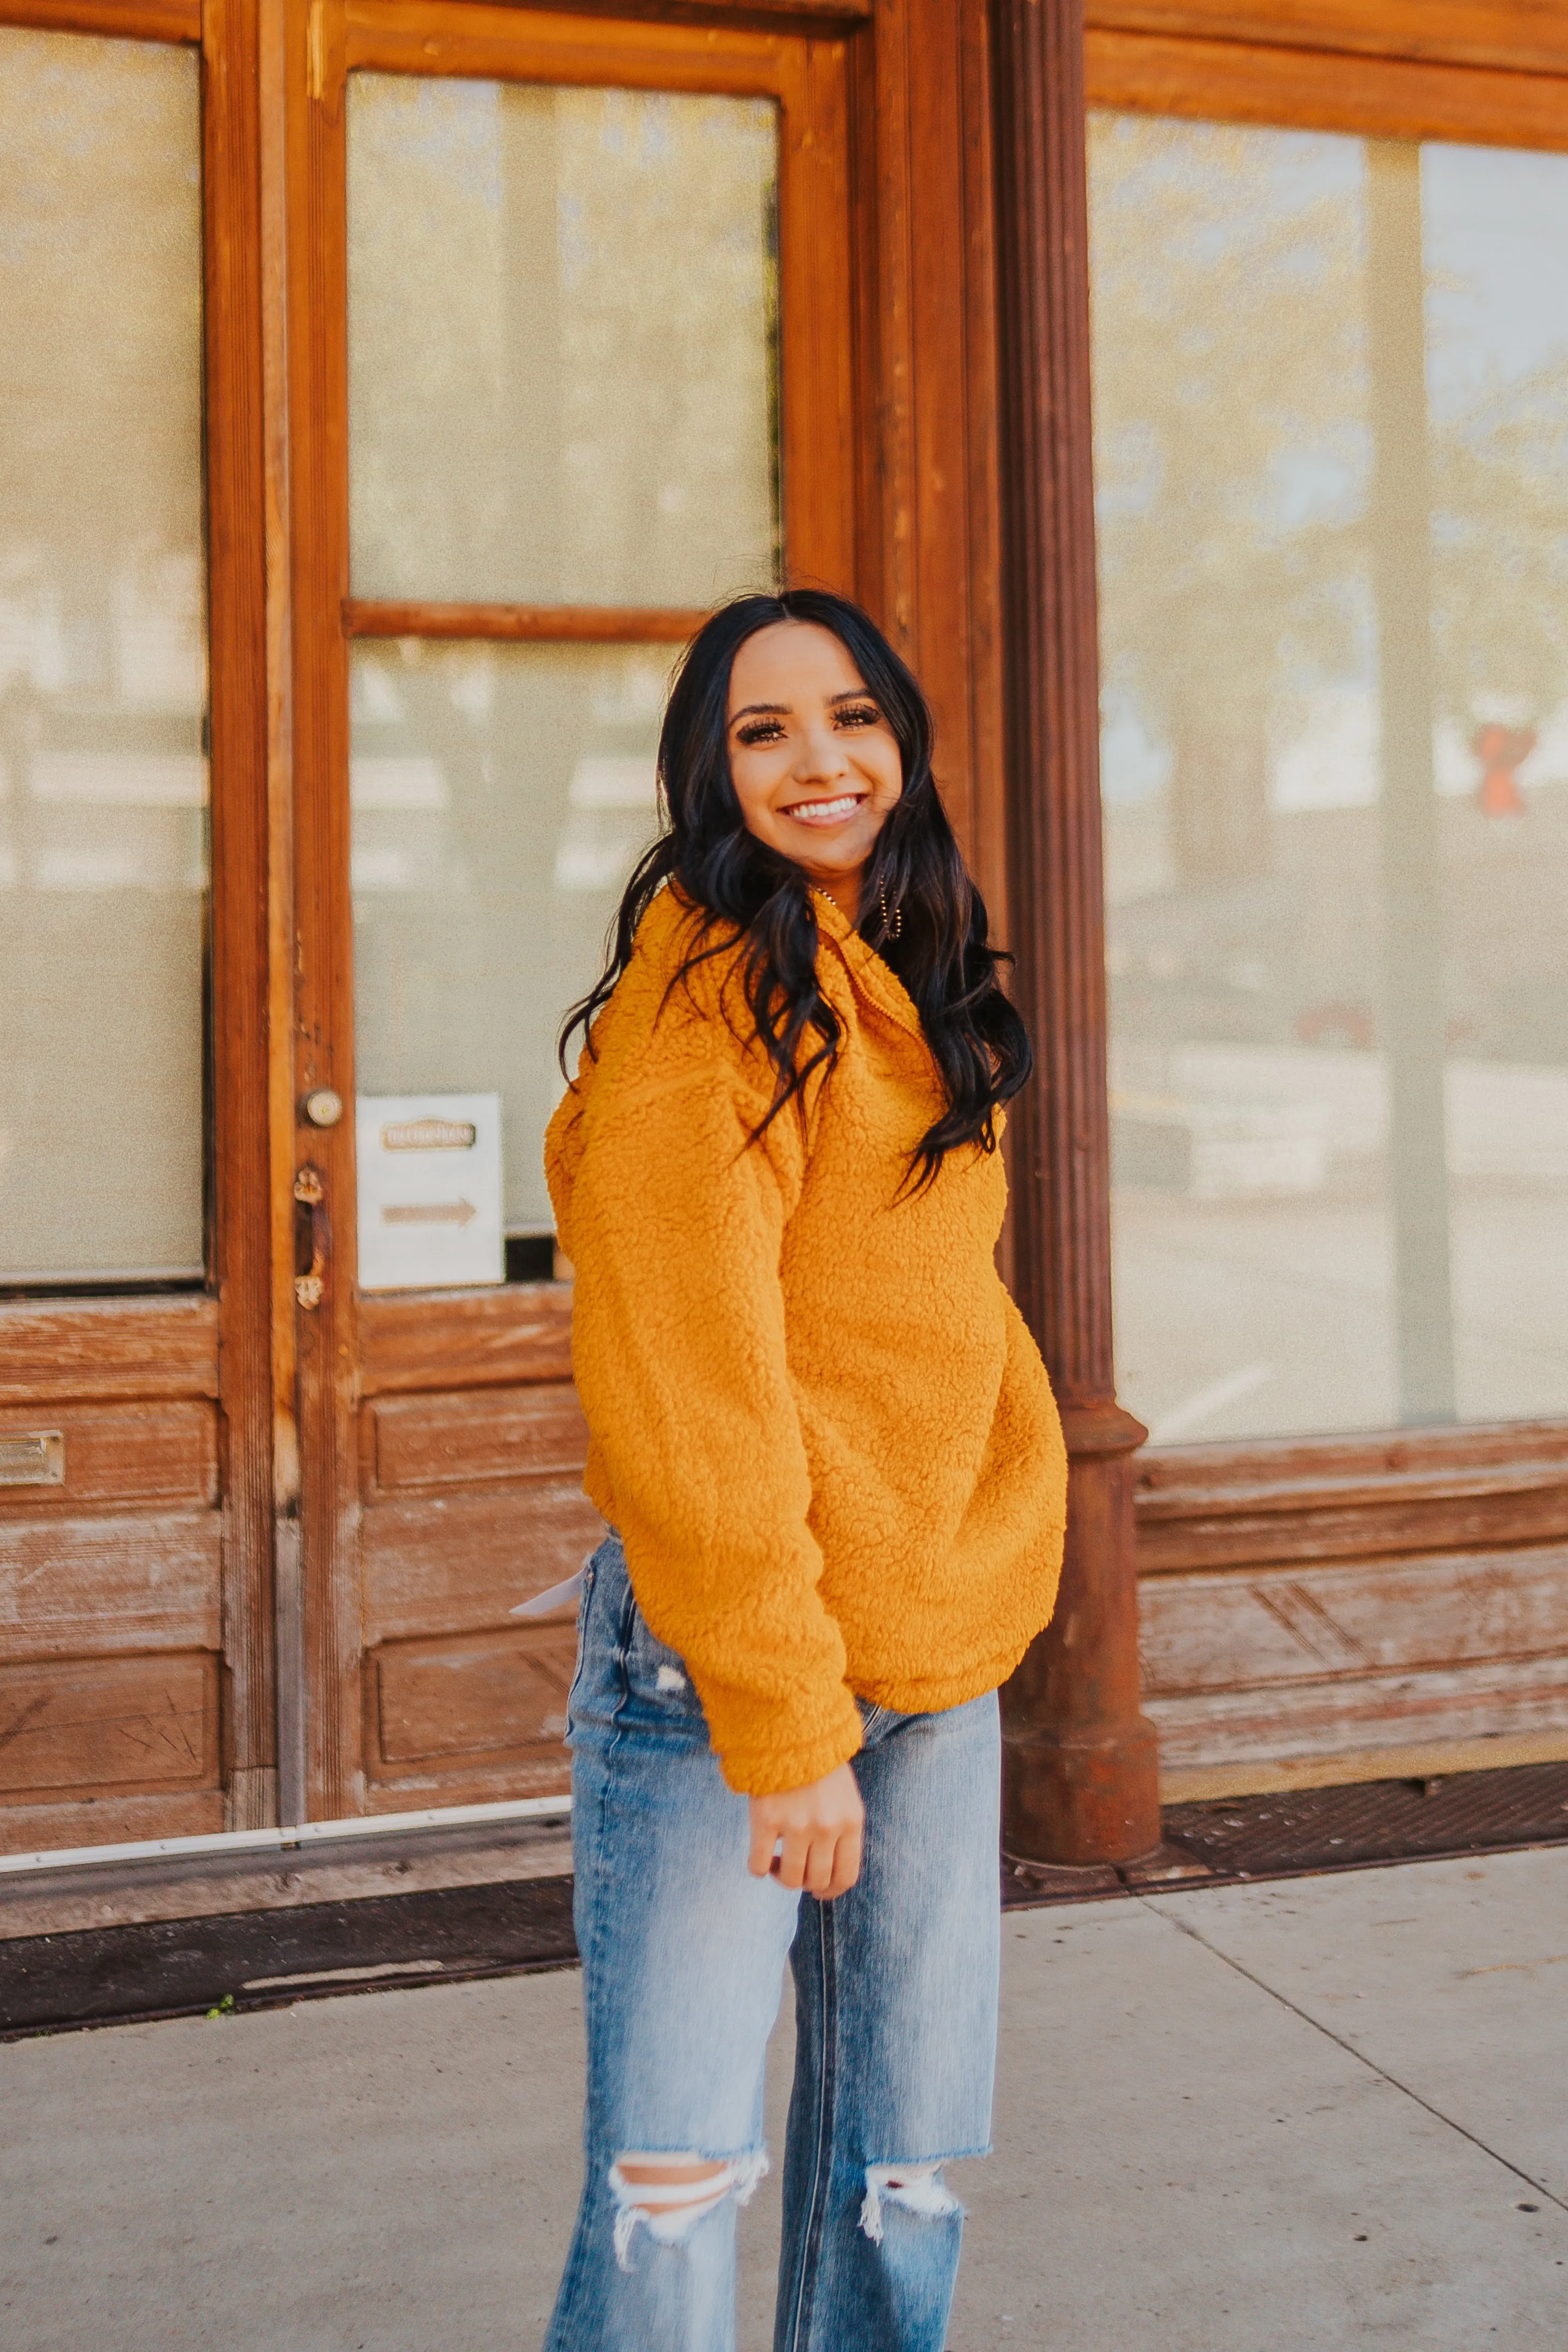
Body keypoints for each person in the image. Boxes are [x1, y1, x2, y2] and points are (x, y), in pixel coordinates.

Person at [541, 588, 1067, 2352]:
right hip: (733, 1667)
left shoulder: (898, 970)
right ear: (710, 770)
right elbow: (693, 1388)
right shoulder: (701, 1009)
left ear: (899, 738)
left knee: (899, 2169)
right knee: (675, 2184)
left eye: (850, 716)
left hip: (926, 1648)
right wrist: (784, 1723)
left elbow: (920, 1317)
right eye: (764, 731)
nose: (819, 760)